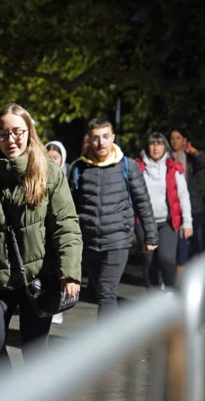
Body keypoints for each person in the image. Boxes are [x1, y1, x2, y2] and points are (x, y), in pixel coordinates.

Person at [0, 103, 82, 379]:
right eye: (2, 133)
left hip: (39, 278)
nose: (10, 140)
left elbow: (66, 226)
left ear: (29, 132)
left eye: (17, 132)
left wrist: (70, 273)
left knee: (34, 352)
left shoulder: (49, 173)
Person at [69, 118, 158, 319]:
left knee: (107, 292)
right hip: (89, 242)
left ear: (113, 138)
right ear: (89, 140)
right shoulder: (79, 168)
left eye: (106, 137)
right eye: (96, 138)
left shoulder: (128, 166)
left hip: (117, 240)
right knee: (101, 291)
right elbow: (68, 208)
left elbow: (142, 201)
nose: (101, 143)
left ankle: (104, 346)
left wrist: (151, 236)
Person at [135, 132, 192, 290]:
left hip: (167, 221)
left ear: (164, 147)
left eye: (159, 144)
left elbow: (183, 195)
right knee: (149, 260)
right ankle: (152, 296)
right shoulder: (138, 168)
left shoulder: (173, 168)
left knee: (166, 258)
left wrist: (187, 222)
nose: (155, 147)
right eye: (152, 144)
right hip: (144, 222)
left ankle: (170, 290)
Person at [169, 126, 205, 275]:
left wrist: (191, 149)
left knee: (195, 238)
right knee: (178, 241)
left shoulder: (191, 158)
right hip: (173, 204)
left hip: (192, 203)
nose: (174, 141)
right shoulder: (167, 157)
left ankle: (196, 268)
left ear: (184, 140)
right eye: (172, 138)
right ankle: (177, 274)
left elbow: (204, 161)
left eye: (178, 138)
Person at [44, 140, 71, 325]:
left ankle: (58, 306)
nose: (52, 161)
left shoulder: (70, 177)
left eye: (56, 157)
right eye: (49, 158)